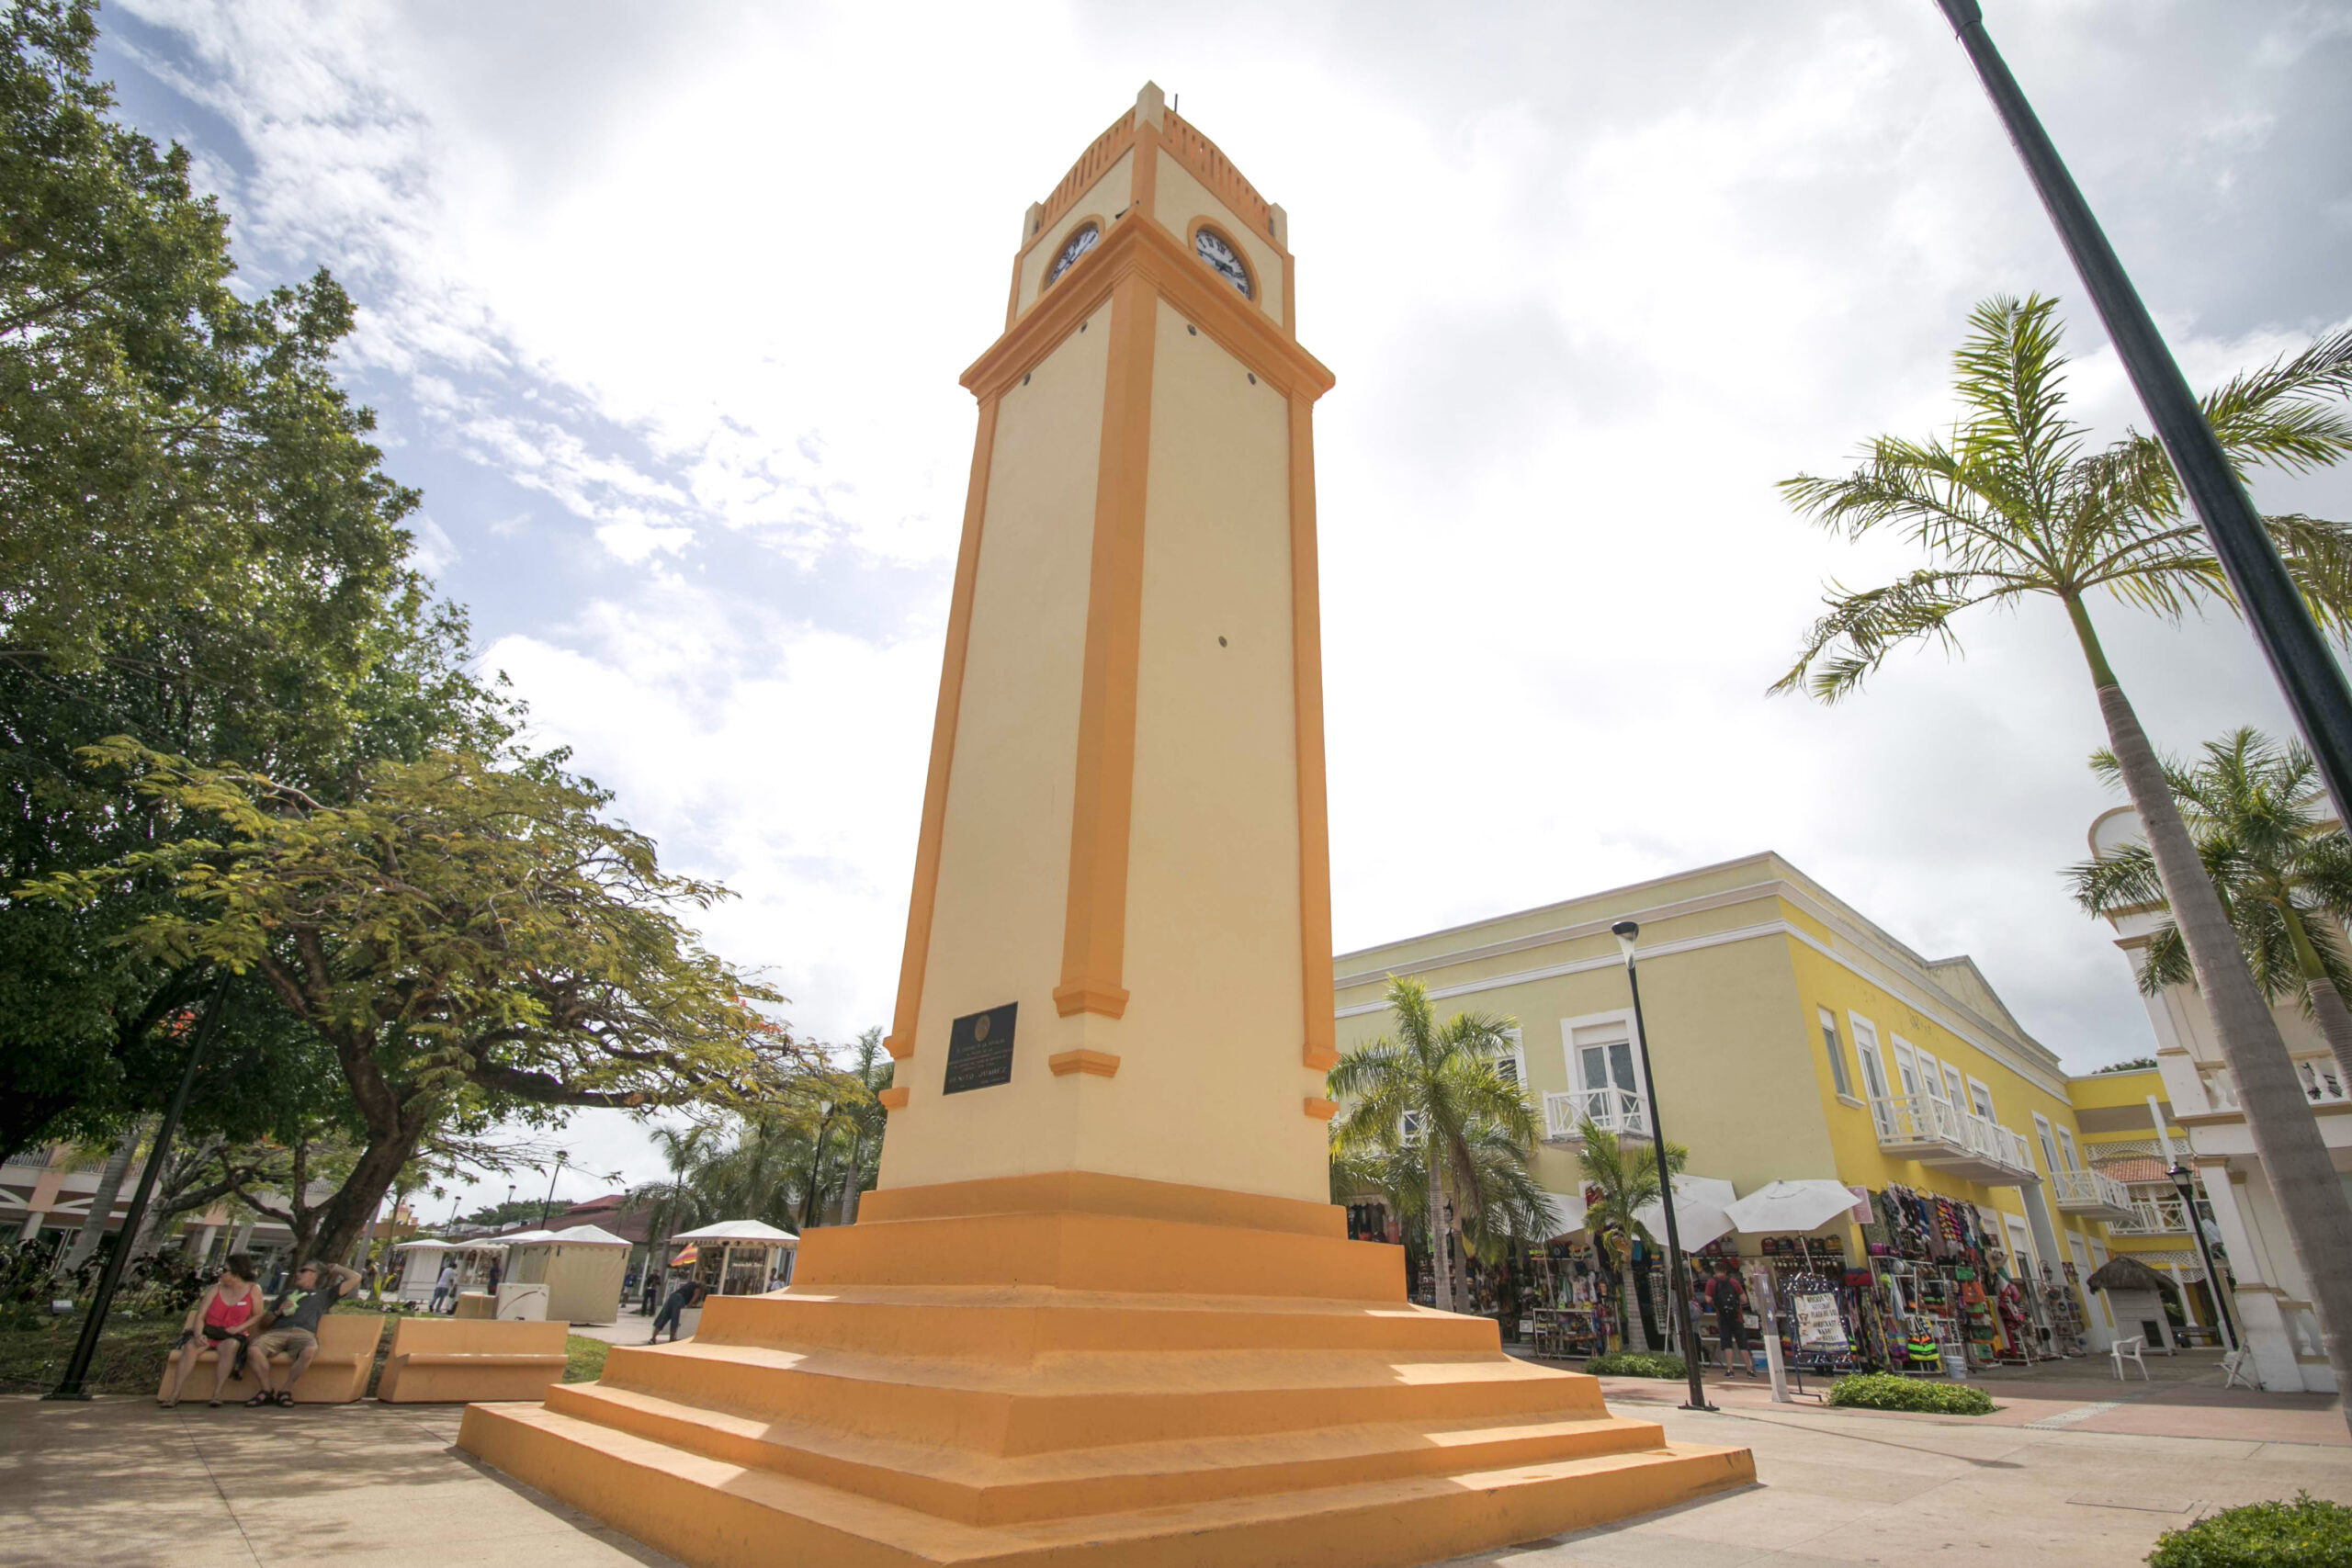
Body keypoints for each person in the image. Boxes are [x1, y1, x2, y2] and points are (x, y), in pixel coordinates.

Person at [243, 1259, 361, 1407]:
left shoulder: (325, 1295)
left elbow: (355, 1278)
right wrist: (277, 1311)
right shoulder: (286, 1294)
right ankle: (266, 1389)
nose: (298, 1274)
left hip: (304, 1333)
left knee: (310, 1349)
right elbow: (264, 1324)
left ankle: (285, 1390)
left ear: (315, 1275)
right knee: (254, 1349)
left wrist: (335, 1268)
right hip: (278, 1332)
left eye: (304, 1270)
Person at [160, 1254, 261, 1408]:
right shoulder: (215, 1289)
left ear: (236, 1272)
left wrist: (239, 1328)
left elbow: (258, 1314)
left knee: (230, 1347)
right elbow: (200, 1315)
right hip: (210, 1331)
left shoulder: (253, 1289)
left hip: (233, 1334)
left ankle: (217, 1393)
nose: (221, 1273)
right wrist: (199, 1334)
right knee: (191, 1347)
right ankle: (175, 1393)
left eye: (225, 1270)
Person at [1708, 1261, 1750, 1377]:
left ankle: (1730, 1369)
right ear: (1726, 1271)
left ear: (1715, 1271)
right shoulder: (1733, 1281)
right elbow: (1744, 1299)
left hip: (1722, 1317)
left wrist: (1716, 1305)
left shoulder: (1712, 1283)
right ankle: (1749, 1370)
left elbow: (1707, 1299)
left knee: (1727, 1344)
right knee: (1742, 1343)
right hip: (1737, 1316)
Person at [650, 1276, 705, 1344]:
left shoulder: (690, 1284)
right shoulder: (697, 1289)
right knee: (675, 1318)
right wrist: (692, 1305)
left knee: (663, 1317)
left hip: (673, 1296)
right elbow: (692, 1300)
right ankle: (672, 1338)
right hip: (680, 1299)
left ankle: (653, 1338)